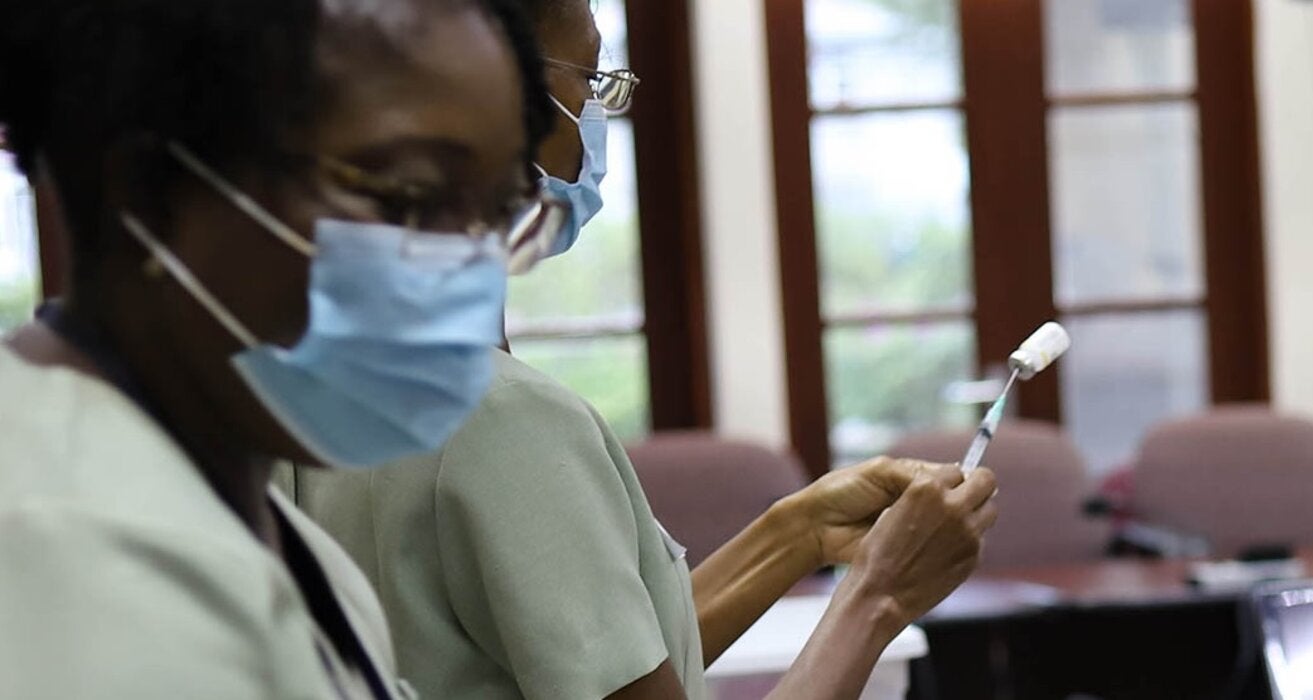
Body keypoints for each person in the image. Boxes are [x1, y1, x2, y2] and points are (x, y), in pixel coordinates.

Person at [285, 0, 1001, 698]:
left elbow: (610, 659)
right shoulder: (506, 423)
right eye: (589, 78)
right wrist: (876, 599)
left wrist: (799, 531)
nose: (596, 119)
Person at [0, 0, 553, 696]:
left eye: (498, 212)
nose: (467, 264)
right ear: (150, 192)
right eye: (409, 196)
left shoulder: (271, 532)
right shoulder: (77, 561)